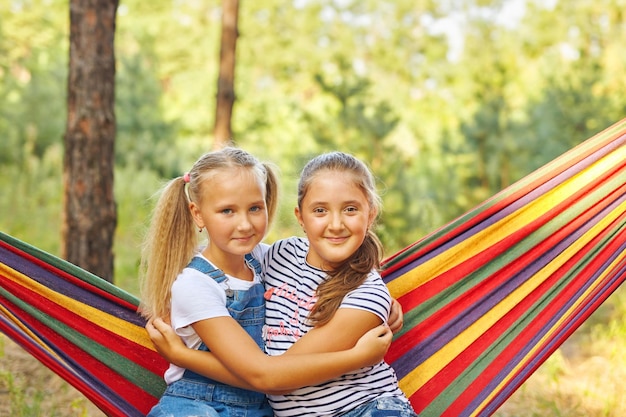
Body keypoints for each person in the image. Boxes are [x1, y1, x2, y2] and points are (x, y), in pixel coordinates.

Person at [148, 151, 418, 416]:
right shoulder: (279, 255)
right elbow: (213, 259)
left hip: (365, 409)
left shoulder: (366, 295)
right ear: (300, 217)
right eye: (320, 210)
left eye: (350, 209)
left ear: (370, 214)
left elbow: (274, 377)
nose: (335, 224)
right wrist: (360, 355)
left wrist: (183, 356)